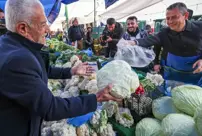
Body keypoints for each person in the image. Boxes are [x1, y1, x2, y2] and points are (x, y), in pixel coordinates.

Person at [0, 0, 121, 136]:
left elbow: (41, 71)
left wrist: (71, 71)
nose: (48, 30)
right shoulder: (17, 60)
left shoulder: (9, 44)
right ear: (23, 29)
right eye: (43, 24)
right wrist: (95, 98)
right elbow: (50, 107)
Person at [128, 2, 202, 86]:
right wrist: (133, 42)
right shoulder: (165, 32)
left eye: (174, 17)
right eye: (168, 18)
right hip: (172, 73)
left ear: (186, 15)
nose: (170, 21)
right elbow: (152, 39)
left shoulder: (199, 28)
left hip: (195, 73)